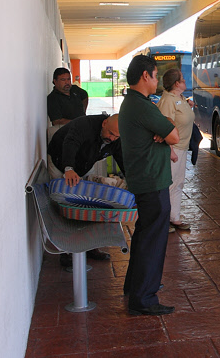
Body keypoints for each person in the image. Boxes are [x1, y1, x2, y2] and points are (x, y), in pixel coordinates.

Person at [119, 55, 179, 316]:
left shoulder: (134, 103)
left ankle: (135, 286)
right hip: (152, 180)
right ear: (146, 76)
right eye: (155, 76)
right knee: (153, 239)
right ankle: (144, 297)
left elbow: (169, 130)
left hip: (145, 179)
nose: (157, 81)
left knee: (145, 235)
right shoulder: (143, 106)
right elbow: (174, 135)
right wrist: (165, 133)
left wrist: (165, 131)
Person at [47, 113, 126, 266]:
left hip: (84, 164)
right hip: (60, 161)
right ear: (104, 123)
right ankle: (66, 252)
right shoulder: (85, 125)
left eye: (116, 137)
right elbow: (70, 142)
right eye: (110, 134)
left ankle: (90, 247)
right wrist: (68, 168)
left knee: (89, 204)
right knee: (64, 207)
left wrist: (131, 180)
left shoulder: (116, 137)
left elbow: (122, 158)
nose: (112, 138)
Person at [156, 68, 195, 232]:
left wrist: (188, 105)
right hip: (173, 149)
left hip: (182, 147)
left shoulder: (179, 97)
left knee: (177, 183)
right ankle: (164, 221)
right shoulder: (168, 100)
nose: (185, 81)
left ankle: (175, 217)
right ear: (176, 83)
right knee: (169, 184)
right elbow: (165, 126)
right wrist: (170, 150)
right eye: (183, 79)